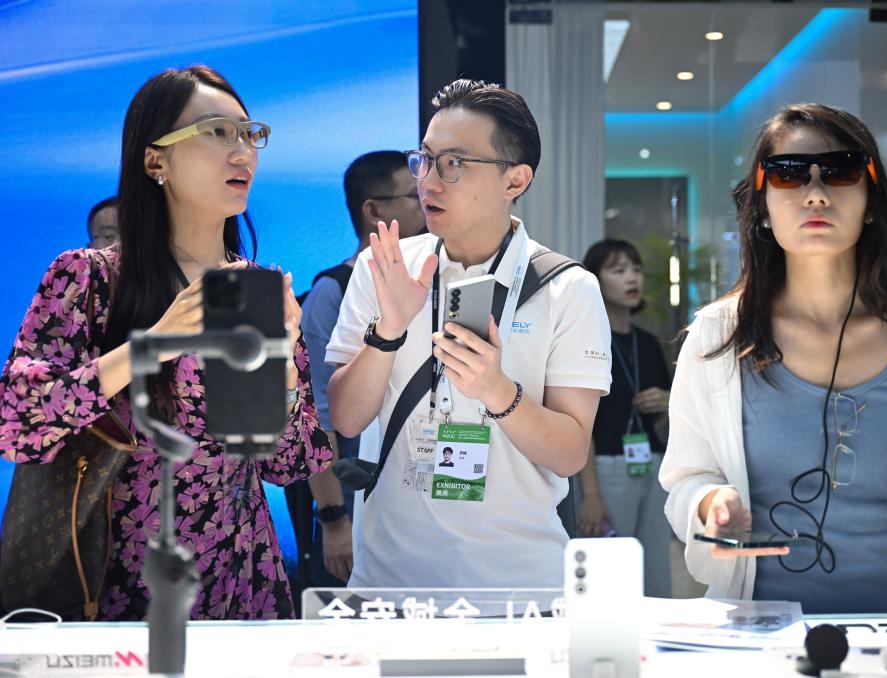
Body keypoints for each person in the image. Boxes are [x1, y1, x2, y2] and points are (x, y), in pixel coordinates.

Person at [0, 65, 333, 620]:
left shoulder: (259, 288)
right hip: (121, 583)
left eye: (250, 133)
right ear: (155, 160)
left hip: (243, 580)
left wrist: (289, 374)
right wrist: (150, 346)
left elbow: (287, 462)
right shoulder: (90, 277)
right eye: (216, 132)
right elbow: (17, 419)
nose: (241, 151)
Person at [660, 103, 887, 613]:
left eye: (839, 171)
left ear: (869, 197)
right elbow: (686, 481)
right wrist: (711, 504)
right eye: (789, 174)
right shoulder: (717, 338)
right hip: (763, 638)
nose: (815, 193)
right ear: (762, 203)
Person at [325, 78, 612, 589]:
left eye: (454, 164)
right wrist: (388, 331)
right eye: (426, 159)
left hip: (520, 587)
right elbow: (347, 419)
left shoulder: (570, 288)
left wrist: (497, 391)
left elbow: (569, 453)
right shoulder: (384, 266)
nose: (430, 181)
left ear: (514, 180)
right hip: (390, 586)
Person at [296, 150, 425, 586]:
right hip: (353, 498)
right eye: (413, 194)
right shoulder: (331, 293)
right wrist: (333, 520)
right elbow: (316, 419)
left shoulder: (437, 280)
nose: (427, 201)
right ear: (373, 210)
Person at [577, 238, 672, 598]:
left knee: (656, 570)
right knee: (611, 576)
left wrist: (667, 402)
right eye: (618, 270)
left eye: (636, 269)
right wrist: (590, 494)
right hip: (606, 468)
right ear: (594, 280)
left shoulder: (647, 342)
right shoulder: (587, 340)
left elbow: (671, 417)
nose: (632, 278)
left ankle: (659, 643)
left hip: (653, 463)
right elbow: (580, 423)